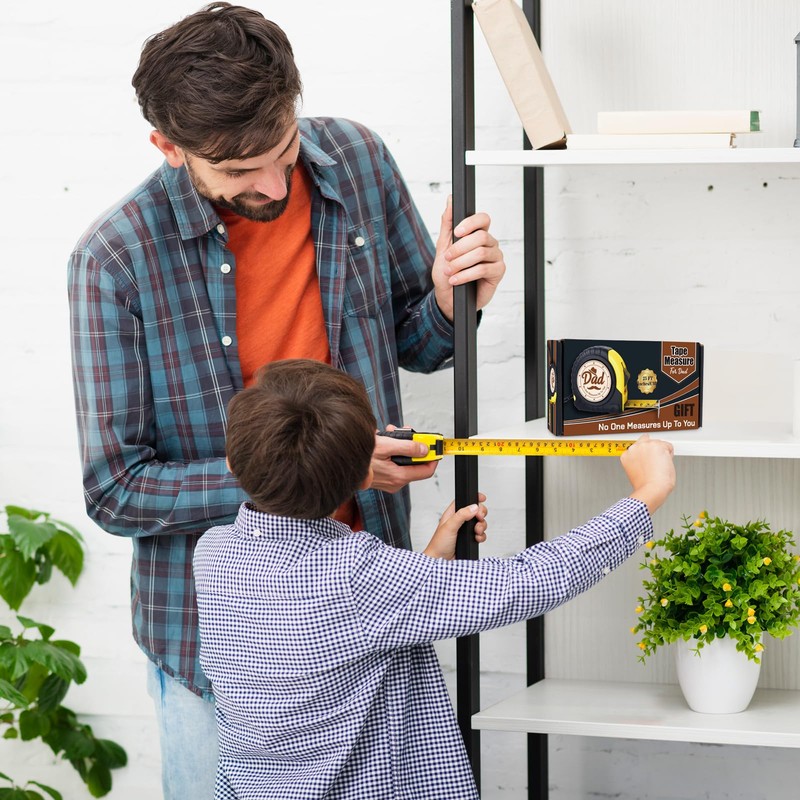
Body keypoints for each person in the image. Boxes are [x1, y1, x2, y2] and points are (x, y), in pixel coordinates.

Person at [67, 2, 506, 796]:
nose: (273, 185)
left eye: (283, 150)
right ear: (169, 147)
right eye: (239, 171)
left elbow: (420, 343)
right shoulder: (115, 261)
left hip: (369, 606)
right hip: (217, 649)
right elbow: (116, 489)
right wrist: (321, 469)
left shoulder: (358, 159)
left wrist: (451, 299)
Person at [193, 358, 676, 800]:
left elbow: (335, 641)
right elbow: (527, 582)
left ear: (233, 462)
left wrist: (430, 561)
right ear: (365, 477)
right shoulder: (357, 573)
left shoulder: (213, 553)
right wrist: (648, 493)